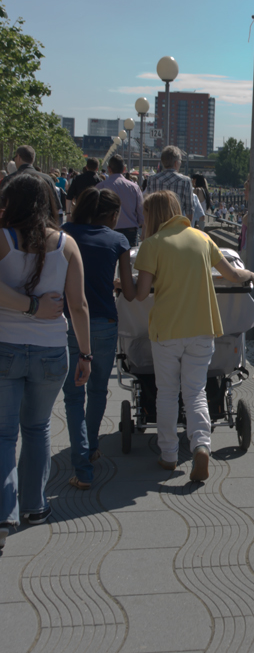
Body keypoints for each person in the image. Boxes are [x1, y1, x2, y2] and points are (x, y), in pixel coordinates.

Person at [132, 191, 254, 481]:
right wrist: (250, 274)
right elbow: (231, 274)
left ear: (153, 216)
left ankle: (169, 455)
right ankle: (201, 445)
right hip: (202, 329)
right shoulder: (201, 238)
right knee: (195, 391)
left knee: (167, 392)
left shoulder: (152, 245)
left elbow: (140, 295)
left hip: (167, 330)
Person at [0, 174, 91, 546]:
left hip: (5, 346)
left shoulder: (3, 240)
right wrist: (86, 353)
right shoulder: (67, 245)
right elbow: (79, 306)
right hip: (52, 352)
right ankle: (35, 506)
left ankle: (5, 512)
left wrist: (27, 307)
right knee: (37, 429)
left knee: (4, 434)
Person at [61, 187, 136, 489]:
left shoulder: (66, 232)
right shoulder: (118, 240)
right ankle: (90, 449)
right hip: (104, 322)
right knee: (97, 389)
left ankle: (82, 461)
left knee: (73, 394)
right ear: (113, 214)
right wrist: (116, 283)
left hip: (68, 320)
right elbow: (130, 293)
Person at [99, 155, 144, 247]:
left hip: (108, 230)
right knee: (130, 260)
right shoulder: (134, 187)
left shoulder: (100, 187)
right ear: (124, 169)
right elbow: (141, 212)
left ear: (109, 169)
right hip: (130, 230)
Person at [2, 145, 59, 210]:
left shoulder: (9, 179)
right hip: (42, 219)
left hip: (16, 219)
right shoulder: (47, 179)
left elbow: (2, 205)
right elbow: (56, 206)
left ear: (18, 157)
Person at [143, 146, 193, 220]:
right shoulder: (185, 181)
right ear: (176, 163)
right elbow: (189, 210)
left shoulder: (152, 179)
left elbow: (149, 207)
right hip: (177, 226)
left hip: (157, 226)